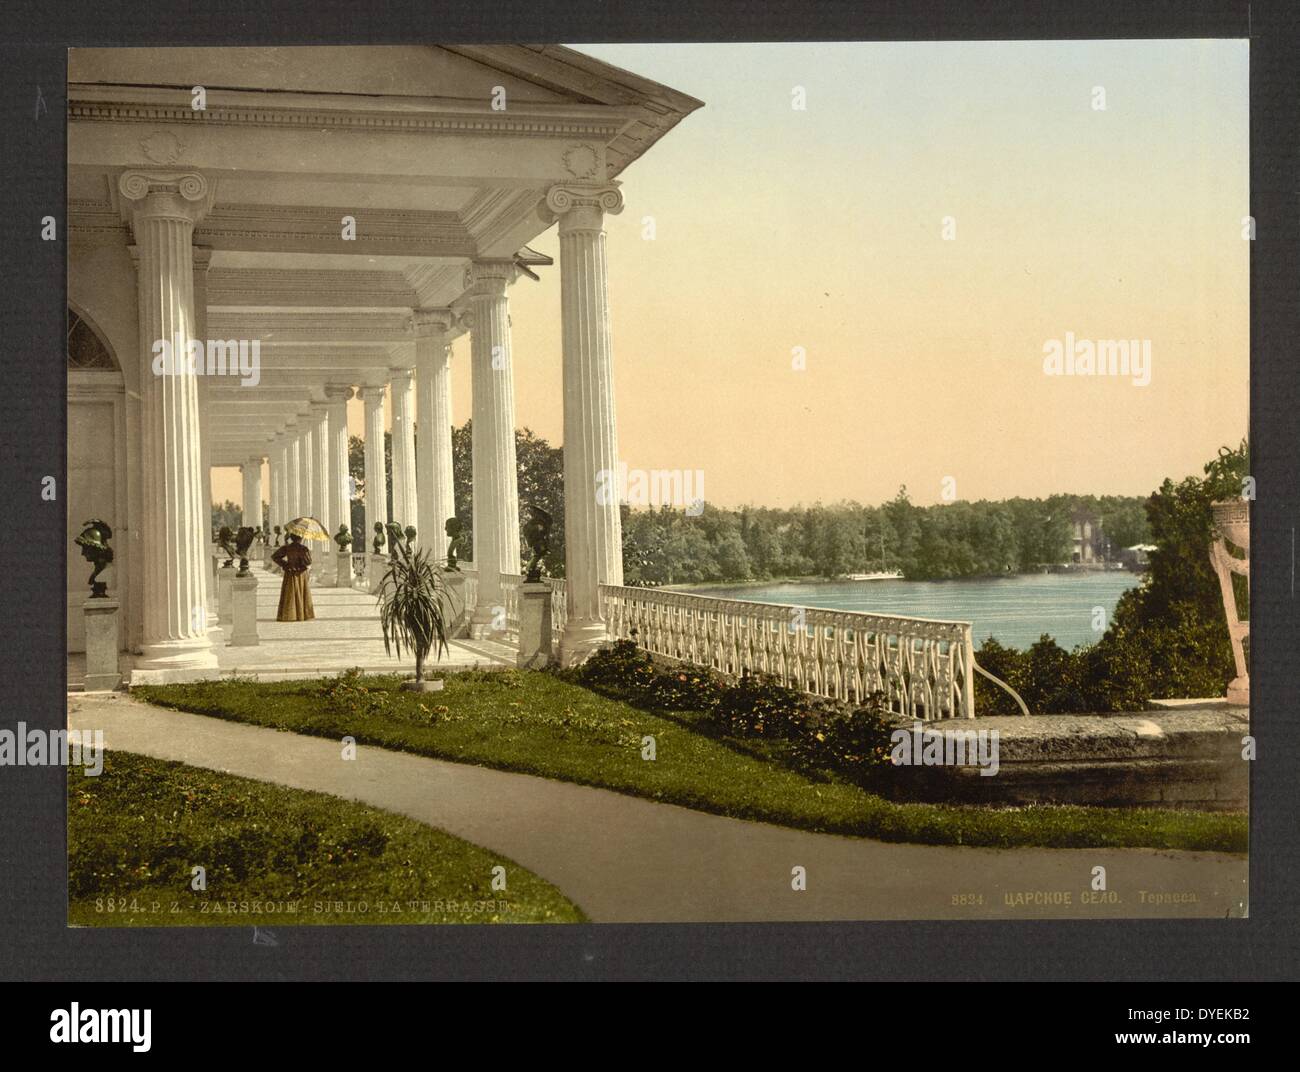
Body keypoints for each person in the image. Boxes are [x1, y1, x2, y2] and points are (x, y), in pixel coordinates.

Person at [271, 532, 315, 622]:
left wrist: (285, 564)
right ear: (300, 538)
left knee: (289, 592)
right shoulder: (303, 549)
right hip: (300, 574)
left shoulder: (287, 548)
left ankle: (289, 615)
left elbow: (275, 556)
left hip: (290, 572)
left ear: (292, 538)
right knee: (301, 592)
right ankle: (302, 614)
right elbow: (308, 562)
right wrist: (304, 555)